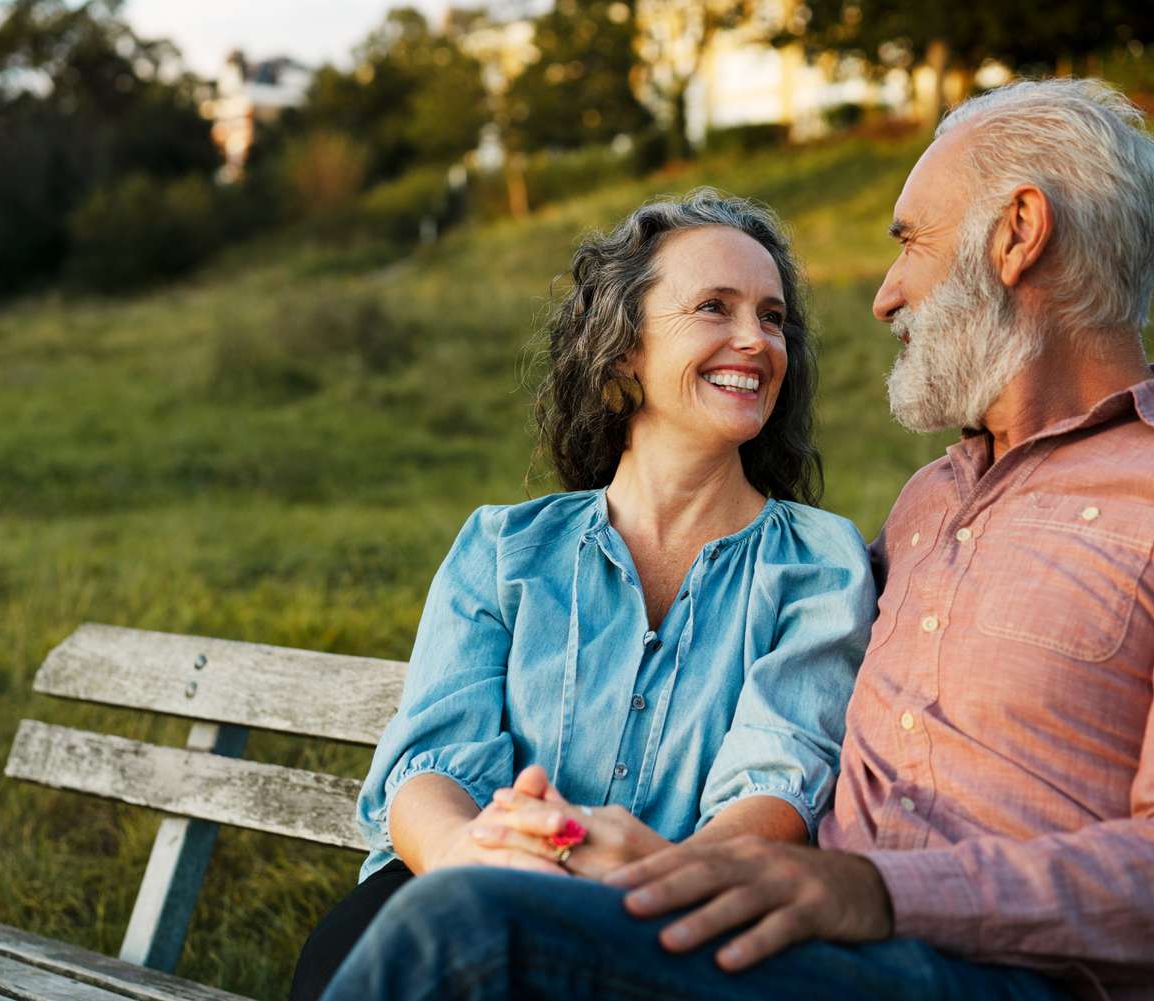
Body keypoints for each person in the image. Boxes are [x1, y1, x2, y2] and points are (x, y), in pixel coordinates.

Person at [318, 78, 1154, 1001]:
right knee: (423, 921)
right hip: (803, 951)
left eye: (909, 243)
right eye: (713, 308)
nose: (884, 295)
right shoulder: (931, 504)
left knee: (470, 932)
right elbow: (439, 761)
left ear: (1018, 234)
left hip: (994, 970)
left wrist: (867, 891)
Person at [288, 190, 877, 1000]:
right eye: (715, 306)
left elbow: (778, 790)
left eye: (773, 317)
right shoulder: (505, 548)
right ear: (624, 348)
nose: (755, 339)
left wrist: (638, 867)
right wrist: (469, 856)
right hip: (460, 893)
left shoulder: (821, 564)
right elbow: (427, 763)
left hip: (667, 926)